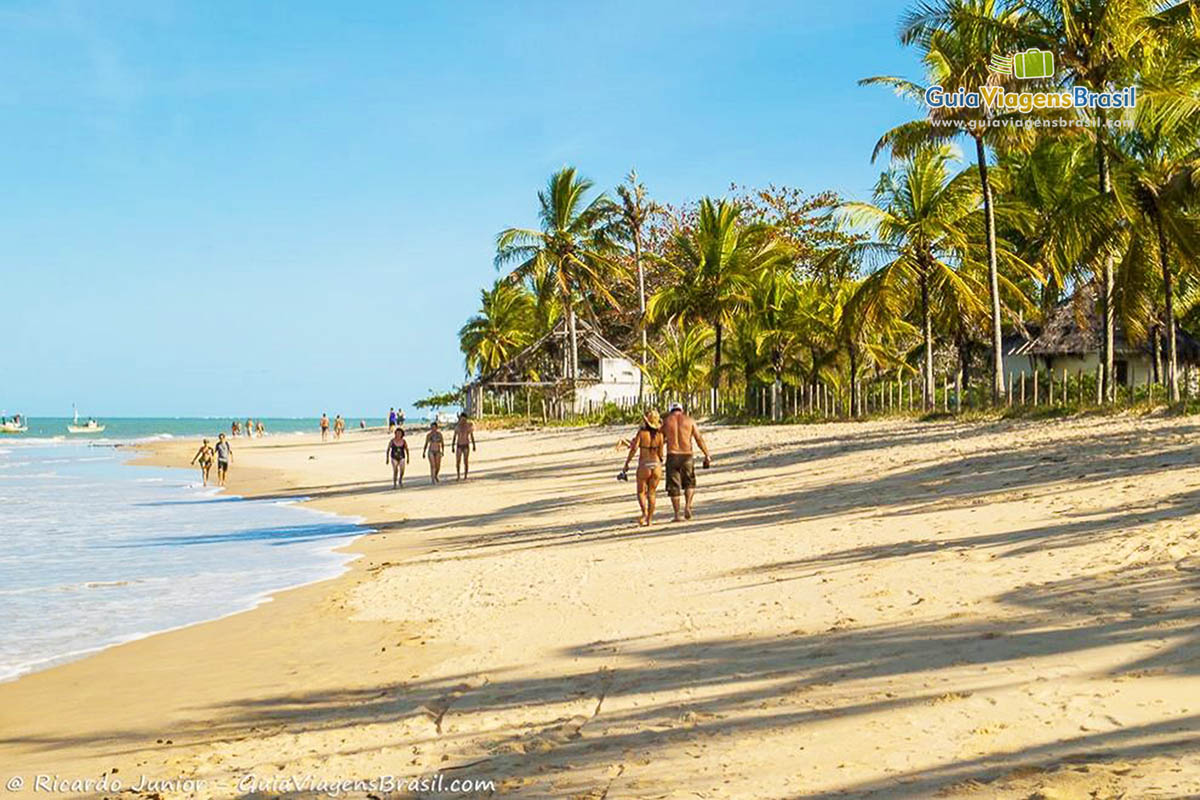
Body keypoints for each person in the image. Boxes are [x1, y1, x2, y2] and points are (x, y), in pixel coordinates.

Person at [661, 402, 712, 522]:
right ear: (681, 410)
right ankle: (688, 506)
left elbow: (660, 439)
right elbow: (699, 438)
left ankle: (676, 515)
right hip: (687, 455)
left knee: (674, 486)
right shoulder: (690, 420)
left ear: (670, 411)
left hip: (672, 455)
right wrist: (707, 454)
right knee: (689, 482)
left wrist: (658, 454)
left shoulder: (666, 422)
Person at [620, 409, 666, 526]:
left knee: (641, 492)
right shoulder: (660, 435)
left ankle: (644, 513)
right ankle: (649, 520)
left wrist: (627, 463)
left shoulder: (641, 433)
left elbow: (634, 449)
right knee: (652, 493)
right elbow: (661, 454)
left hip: (644, 465)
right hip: (656, 465)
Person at [451, 412, 476, 480]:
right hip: (459, 445)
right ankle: (458, 475)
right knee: (458, 461)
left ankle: (465, 475)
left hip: (466, 445)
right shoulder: (457, 427)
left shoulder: (468, 426)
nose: (463, 421)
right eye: (462, 419)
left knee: (466, 461)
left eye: (464, 420)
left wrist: (474, 445)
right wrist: (452, 446)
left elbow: (471, 436)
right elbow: (454, 437)